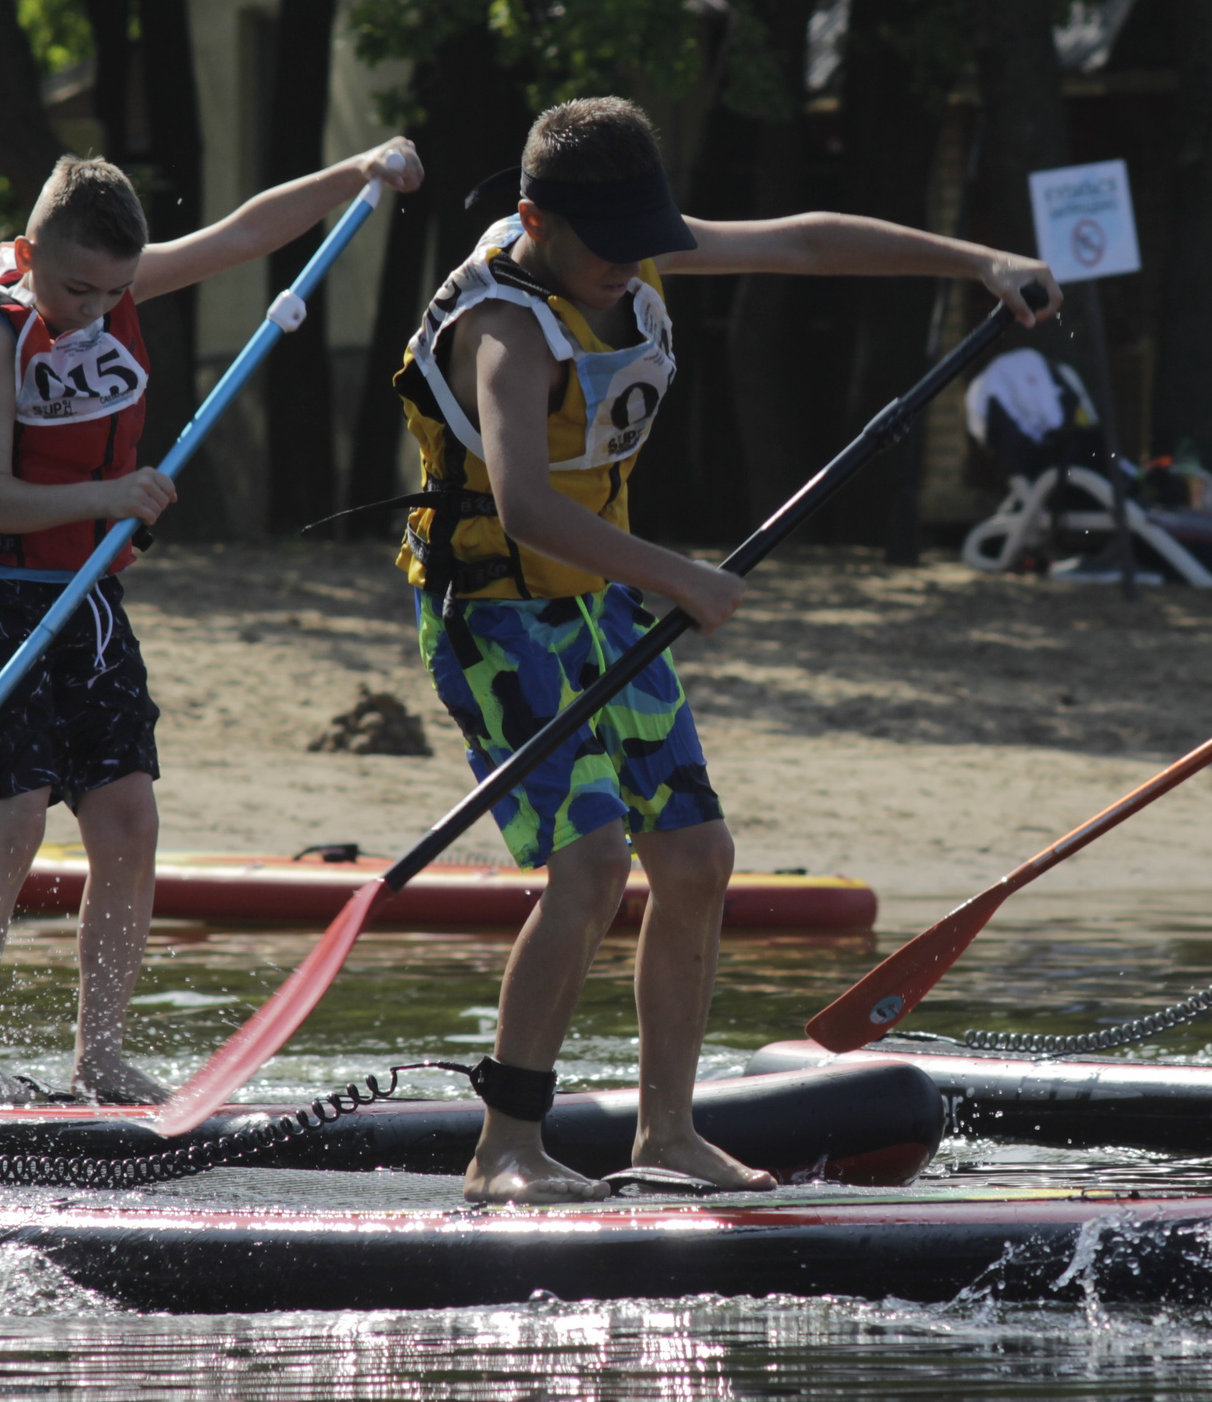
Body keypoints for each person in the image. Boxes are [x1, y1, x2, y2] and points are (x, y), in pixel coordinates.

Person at [394, 97, 1058, 1201]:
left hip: (602, 598)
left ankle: (666, 1133)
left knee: (699, 857)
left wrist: (977, 260)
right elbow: (524, 507)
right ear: (536, 221)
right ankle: (503, 1148)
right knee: (591, 866)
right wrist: (682, 576)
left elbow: (807, 242)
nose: (629, 265)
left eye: (641, 241)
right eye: (608, 248)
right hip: (495, 611)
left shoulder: (625, 247)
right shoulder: (505, 327)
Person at [0, 142, 425, 1103]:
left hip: (87, 596)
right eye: (77, 289)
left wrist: (357, 170)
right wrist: (113, 495)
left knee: (128, 818)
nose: (95, 309)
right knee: (15, 816)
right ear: (33, 254)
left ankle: (99, 1054)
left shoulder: (114, 289)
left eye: (114, 292)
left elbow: (246, 233)